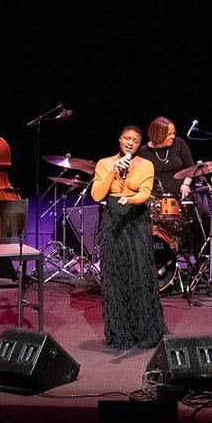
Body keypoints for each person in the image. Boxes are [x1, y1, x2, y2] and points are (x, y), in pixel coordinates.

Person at [90, 125, 169, 349]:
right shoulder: (105, 163)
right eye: (127, 138)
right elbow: (97, 195)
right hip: (113, 218)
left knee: (139, 271)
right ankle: (120, 332)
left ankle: (145, 330)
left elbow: (144, 192)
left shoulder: (146, 165)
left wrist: (130, 200)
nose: (130, 143)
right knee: (115, 273)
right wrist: (113, 171)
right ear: (120, 139)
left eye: (135, 140)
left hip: (136, 219)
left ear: (138, 143)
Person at [138, 115, 211, 247]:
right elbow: (140, 178)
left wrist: (186, 184)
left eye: (173, 133)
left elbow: (191, 168)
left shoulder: (179, 143)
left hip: (182, 196)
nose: (173, 136)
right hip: (157, 201)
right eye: (169, 134)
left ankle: (200, 252)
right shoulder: (144, 152)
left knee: (203, 215)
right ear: (158, 135)